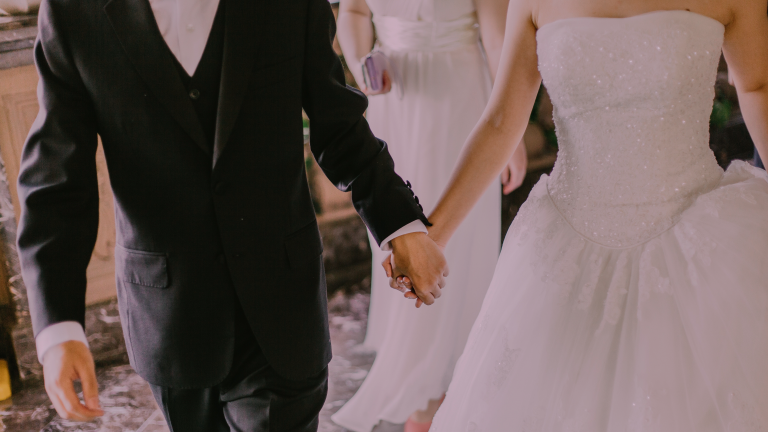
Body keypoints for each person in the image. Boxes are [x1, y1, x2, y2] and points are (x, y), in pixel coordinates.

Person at [16, 0, 450, 430]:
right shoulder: (74, 10)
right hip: (170, 318)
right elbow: (57, 181)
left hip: (282, 308)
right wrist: (58, 329)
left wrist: (399, 224)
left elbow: (337, 124)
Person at [395, 0, 768, 429]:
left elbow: (757, 85)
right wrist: (430, 235)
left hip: (697, 243)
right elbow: (501, 120)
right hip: (563, 249)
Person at [330, 0, 527, 431]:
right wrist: (364, 64)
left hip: (458, 100)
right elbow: (354, 12)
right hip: (392, 101)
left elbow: (497, 39)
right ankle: (414, 358)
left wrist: (512, 136)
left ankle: (449, 377)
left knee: (458, 229)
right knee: (396, 225)